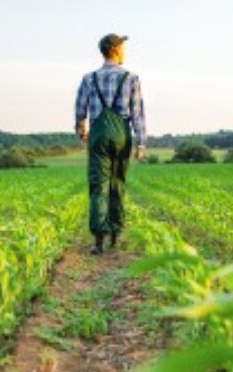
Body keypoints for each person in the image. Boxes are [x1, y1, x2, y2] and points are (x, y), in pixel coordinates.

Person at [74, 34, 147, 255]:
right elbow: (137, 113)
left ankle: (98, 241)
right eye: (122, 47)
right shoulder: (131, 78)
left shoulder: (89, 78)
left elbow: (80, 109)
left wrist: (81, 129)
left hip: (99, 133)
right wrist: (141, 143)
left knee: (99, 185)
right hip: (122, 134)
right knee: (118, 182)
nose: (124, 52)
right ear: (115, 49)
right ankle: (116, 234)